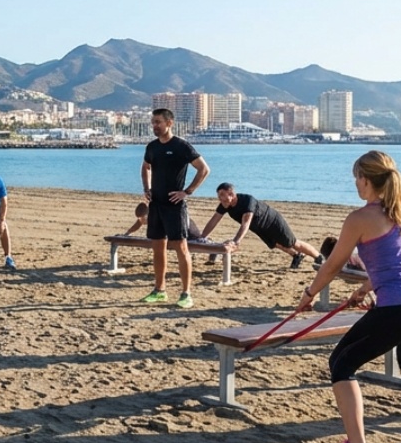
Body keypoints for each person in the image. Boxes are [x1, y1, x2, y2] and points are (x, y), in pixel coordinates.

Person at [298, 151, 401, 443]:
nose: (355, 184)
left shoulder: (360, 218)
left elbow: (333, 265)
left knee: (341, 363)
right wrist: (367, 287)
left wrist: (309, 294)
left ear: (366, 180)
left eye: (356, 178)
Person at [139, 108, 209, 307]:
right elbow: (145, 167)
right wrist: (147, 188)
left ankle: (186, 294)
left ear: (169, 123)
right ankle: (159, 290)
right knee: (158, 247)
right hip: (156, 204)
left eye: (158, 122)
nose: (154, 126)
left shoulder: (181, 146)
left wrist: (187, 191)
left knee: (181, 247)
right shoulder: (152, 147)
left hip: (175, 206)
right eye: (153, 122)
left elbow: (204, 169)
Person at [199, 183, 322, 269]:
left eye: (222, 195)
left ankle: (318, 257)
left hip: (273, 221)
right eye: (218, 195)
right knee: (275, 244)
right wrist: (202, 237)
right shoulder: (224, 205)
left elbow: (245, 224)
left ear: (231, 193)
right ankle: (296, 256)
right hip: (260, 227)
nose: (220, 198)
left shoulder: (247, 201)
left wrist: (236, 241)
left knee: (292, 243)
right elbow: (214, 221)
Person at [122, 201, 203, 241]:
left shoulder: (159, 215)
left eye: (142, 218)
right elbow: (137, 224)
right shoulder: (152, 213)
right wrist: (127, 233)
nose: (141, 221)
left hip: (189, 233)